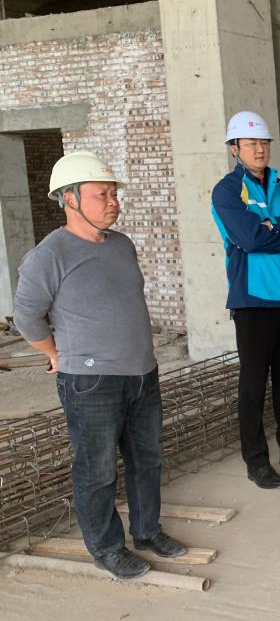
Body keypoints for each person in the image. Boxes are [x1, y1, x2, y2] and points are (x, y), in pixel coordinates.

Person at [13, 152, 187, 579]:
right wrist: (55, 354)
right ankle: (107, 548)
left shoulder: (122, 245)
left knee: (147, 460)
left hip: (142, 373)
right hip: (90, 382)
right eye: (101, 194)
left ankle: (147, 532)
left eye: (114, 194)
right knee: (97, 469)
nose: (113, 202)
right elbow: (27, 317)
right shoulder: (50, 254)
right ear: (70, 198)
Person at [211, 110, 280, 489]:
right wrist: (279, 230)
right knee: (253, 385)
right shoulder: (228, 191)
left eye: (264, 142)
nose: (259, 149)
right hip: (254, 300)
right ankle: (256, 460)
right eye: (251, 143)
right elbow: (250, 239)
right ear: (235, 148)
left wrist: (273, 225)